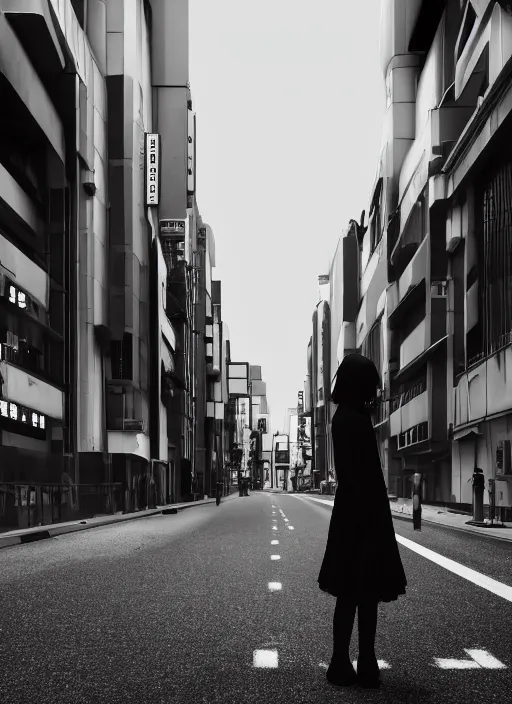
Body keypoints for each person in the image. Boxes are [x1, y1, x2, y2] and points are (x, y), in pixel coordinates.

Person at [318, 353, 407, 690]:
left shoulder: (344, 417)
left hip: (351, 511)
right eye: (370, 384)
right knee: (365, 591)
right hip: (364, 512)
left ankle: (343, 660)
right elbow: (366, 472)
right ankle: (361, 661)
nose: (374, 390)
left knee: (351, 591)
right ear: (361, 385)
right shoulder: (355, 419)